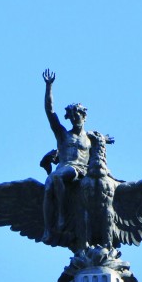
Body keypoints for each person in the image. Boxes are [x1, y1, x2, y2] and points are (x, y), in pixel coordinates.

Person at [41, 69, 91, 244]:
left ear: (84, 117)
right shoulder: (63, 135)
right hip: (65, 167)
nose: (74, 119)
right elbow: (50, 111)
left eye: (77, 116)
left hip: (82, 170)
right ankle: (51, 226)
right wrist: (49, 86)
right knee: (49, 184)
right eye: (71, 117)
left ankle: (62, 214)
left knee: (56, 176)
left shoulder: (90, 137)